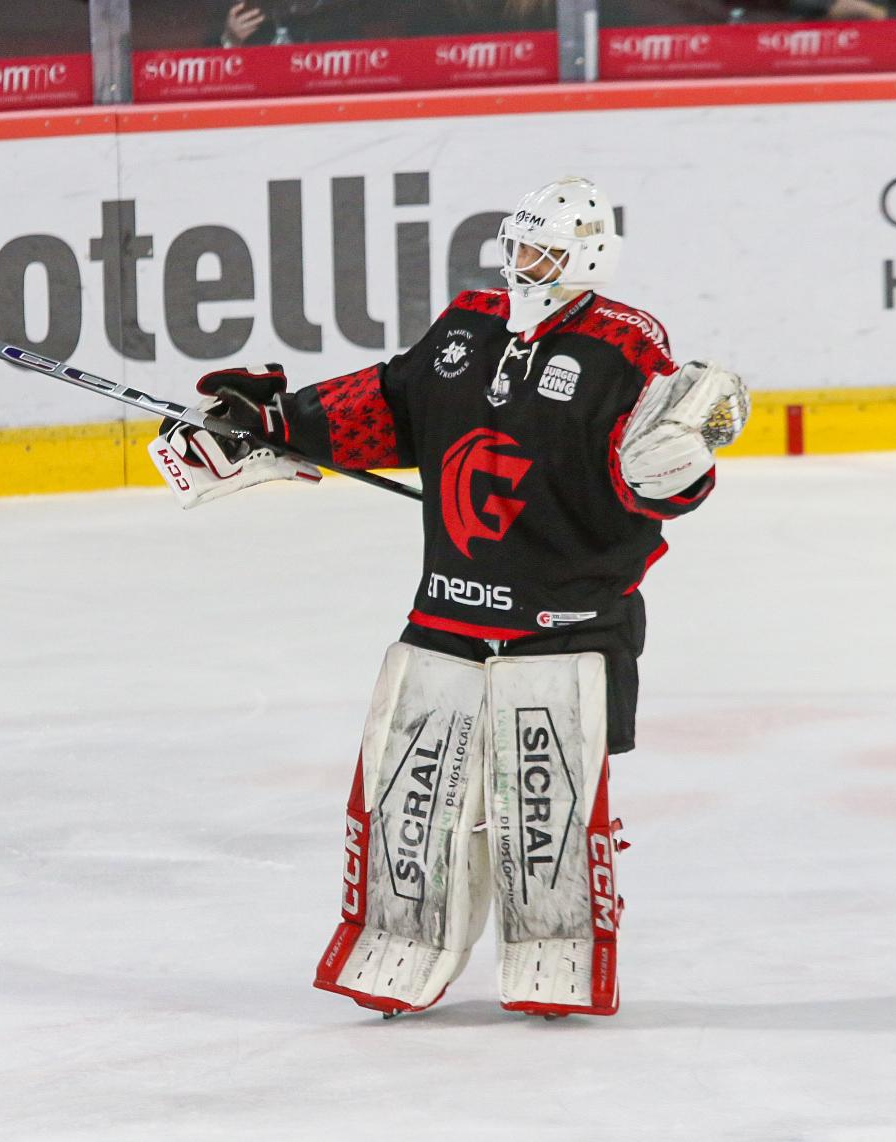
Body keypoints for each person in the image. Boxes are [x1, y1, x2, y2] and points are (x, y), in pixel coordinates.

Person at [148, 176, 749, 1018]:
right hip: (449, 608)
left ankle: (557, 954)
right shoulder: (467, 325)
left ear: (587, 257)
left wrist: (676, 474)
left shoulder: (623, 347)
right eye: (518, 244)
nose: (523, 262)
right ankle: (397, 940)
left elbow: (659, 472)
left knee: (545, 814)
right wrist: (275, 421)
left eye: (543, 250)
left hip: (566, 617)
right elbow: (388, 404)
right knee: (409, 800)